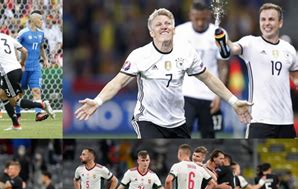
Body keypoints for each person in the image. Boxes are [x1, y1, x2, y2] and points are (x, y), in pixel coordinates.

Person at [75, 8, 252, 138]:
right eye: (158, 24)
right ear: (151, 32)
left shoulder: (186, 52)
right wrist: (97, 101)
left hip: (177, 121)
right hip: (148, 120)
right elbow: (118, 82)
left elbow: (208, 78)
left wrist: (233, 101)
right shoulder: (140, 55)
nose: (164, 26)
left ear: (174, 29)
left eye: (168, 23)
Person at [222, 3, 298, 138]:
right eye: (263, 19)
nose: (266, 23)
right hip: (259, 120)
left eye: (271, 19)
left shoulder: (289, 49)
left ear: (280, 23)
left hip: (286, 121)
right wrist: (224, 41)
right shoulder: (251, 43)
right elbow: (233, 48)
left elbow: (295, 77)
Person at [175, 2, 228, 137]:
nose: (199, 23)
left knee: (209, 136)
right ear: (190, 16)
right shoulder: (179, 32)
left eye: (203, 19)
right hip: (186, 94)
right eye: (196, 19)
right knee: (183, 134)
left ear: (209, 16)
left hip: (210, 94)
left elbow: (223, 67)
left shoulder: (219, 33)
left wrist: (219, 95)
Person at [17, 10, 50, 121]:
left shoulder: (41, 33)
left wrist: (45, 59)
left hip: (35, 67)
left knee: (36, 91)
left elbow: (41, 47)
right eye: (40, 19)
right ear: (34, 19)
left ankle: (38, 114)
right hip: (23, 67)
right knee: (20, 92)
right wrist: (18, 63)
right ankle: (17, 114)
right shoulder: (23, 33)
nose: (42, 21)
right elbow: (15, 47)